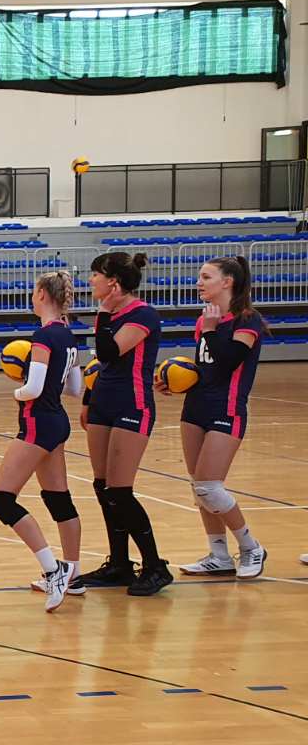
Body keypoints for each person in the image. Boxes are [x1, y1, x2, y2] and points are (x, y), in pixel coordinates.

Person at [76, 252, 172, 596]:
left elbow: (109, 352)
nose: (91, 281)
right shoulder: (111, 314)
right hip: (103, 403)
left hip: (132, 405)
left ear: (113, 282)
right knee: (103, 486)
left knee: (120, 490)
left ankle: (155, 566)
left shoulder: (142, 314)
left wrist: (103, 314)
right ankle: (119, 564)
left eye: (95, 275)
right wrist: (88, 400)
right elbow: (101, 366)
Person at [166, 256, 268, 580]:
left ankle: (251, 547)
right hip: (195, 407)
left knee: (210, 486)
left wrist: (210, 330)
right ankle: (219, 555)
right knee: (199, 489)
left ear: (227, 282)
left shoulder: (247, 320)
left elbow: (228, 361)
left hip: (227, 408)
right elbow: (205, 368)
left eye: (206, 277)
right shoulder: (204, 320)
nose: (199, 282)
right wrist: (174, 381)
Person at [0, 272, 84, 612]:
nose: (31, 296)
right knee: (58, 499)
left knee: (1, 499)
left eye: (33, 291)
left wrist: (16, 390)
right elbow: (75, 389)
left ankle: (54, 570)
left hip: (37, 423)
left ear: (42, 294)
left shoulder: (43, 336)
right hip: (57, 421)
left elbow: (33, 389)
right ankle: (74, 574)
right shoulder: (68, 335)